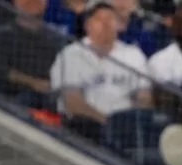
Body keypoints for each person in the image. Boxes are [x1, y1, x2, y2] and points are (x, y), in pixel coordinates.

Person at [48, 0, 151, 141]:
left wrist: (129, 122)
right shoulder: (71, 54)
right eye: (99, 19)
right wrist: (107, 123)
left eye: (110, 19)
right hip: (84, 128)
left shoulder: (133, 54)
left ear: (119, 26)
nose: (106, 24)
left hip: (126, 130)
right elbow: (72, 102)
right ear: (88, 25)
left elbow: (144, 98)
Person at [0, 0, 67, 110]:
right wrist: (34, 83)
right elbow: (0, 71)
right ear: (15, 3)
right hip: (10, 100)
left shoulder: (57, 41)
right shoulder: (3, 35)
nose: (32, 1)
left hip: (46, 104)